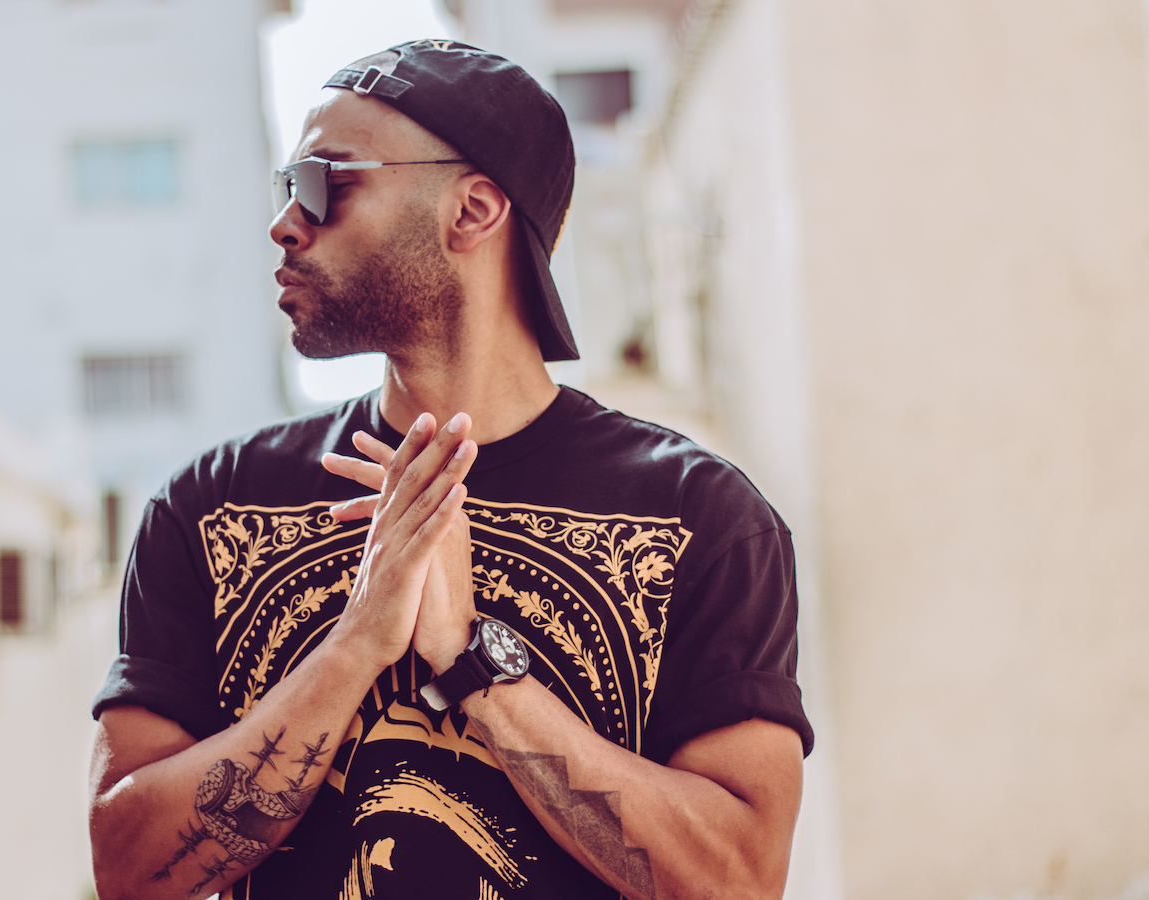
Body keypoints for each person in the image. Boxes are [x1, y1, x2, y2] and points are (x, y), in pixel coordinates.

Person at [88, 40, 813, 900]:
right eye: (285, 187)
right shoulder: (212, 509)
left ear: (471, 212)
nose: (284, 222)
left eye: (323, 182)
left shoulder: (700, 520)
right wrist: (357, 643)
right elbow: (126, 868)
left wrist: (473, 663)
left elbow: (740, 879)